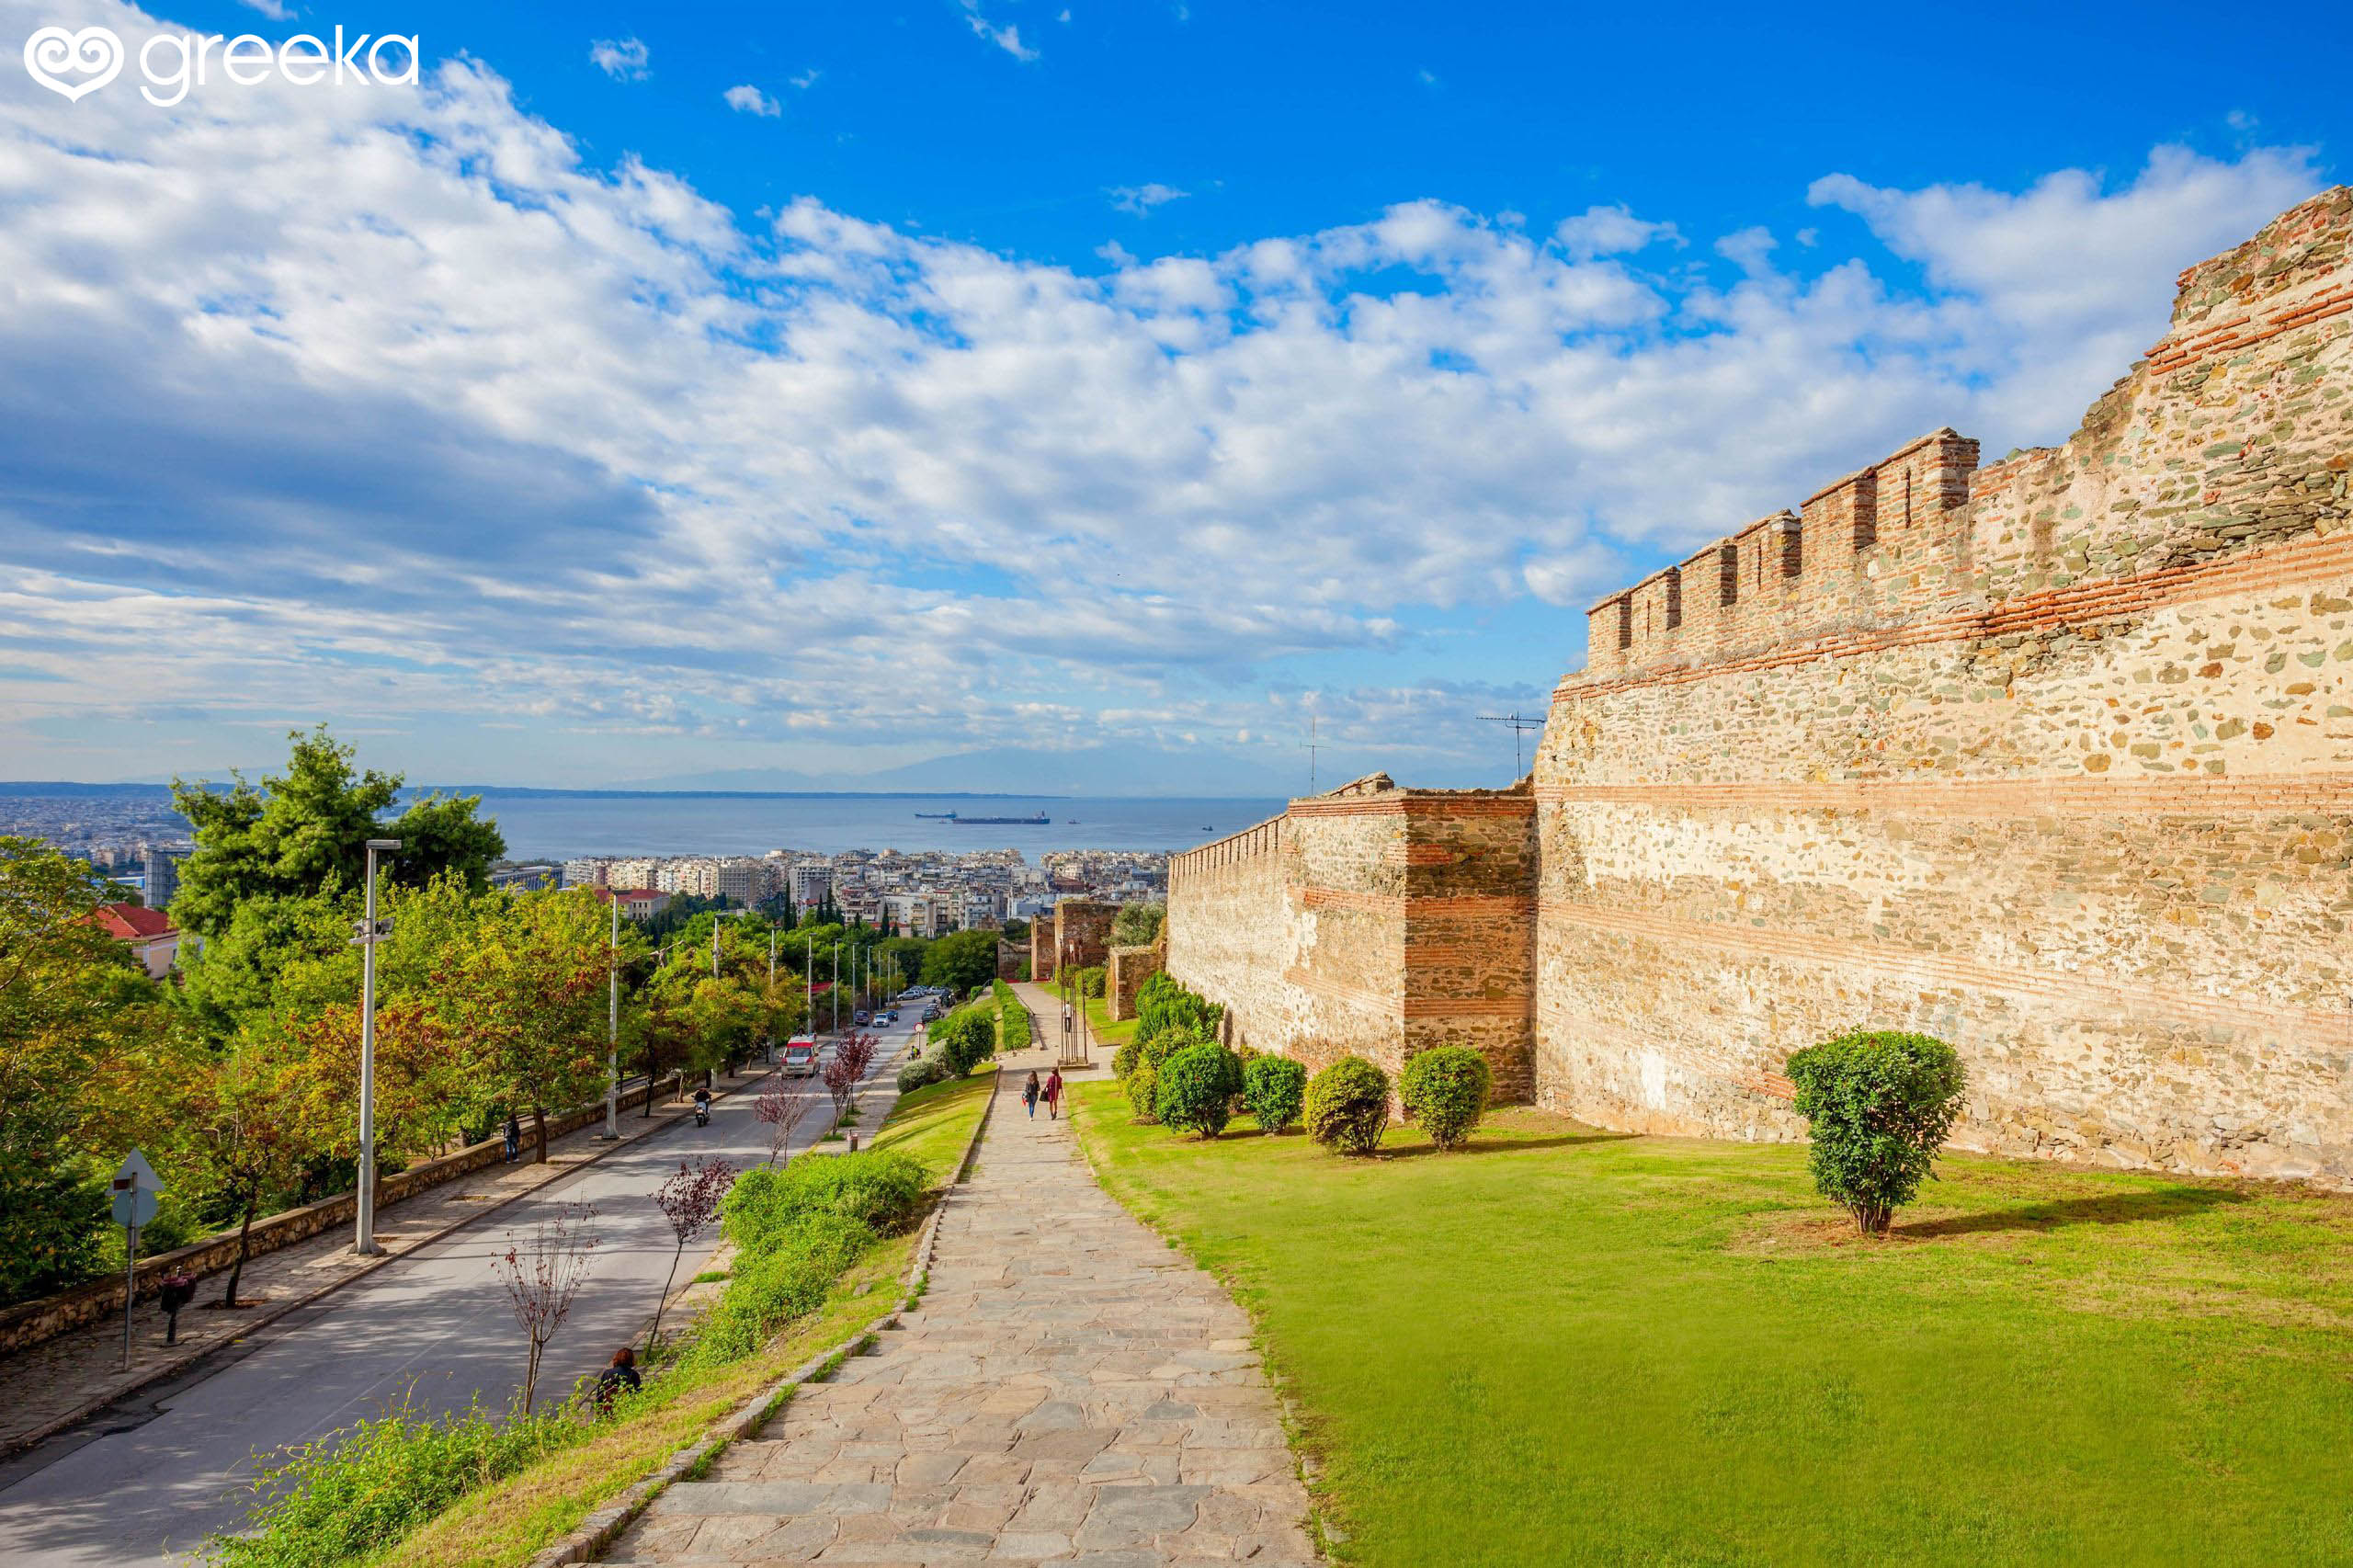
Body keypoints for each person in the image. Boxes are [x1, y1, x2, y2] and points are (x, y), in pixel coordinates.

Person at [593, 1346, 640, 1414]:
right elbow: (638, 1393)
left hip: (608, 1409)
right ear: (631, 1359)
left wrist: (599, 1412)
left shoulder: (607, 1373)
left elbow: (600, 1395)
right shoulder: (634, 1374)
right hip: (626, 1409)